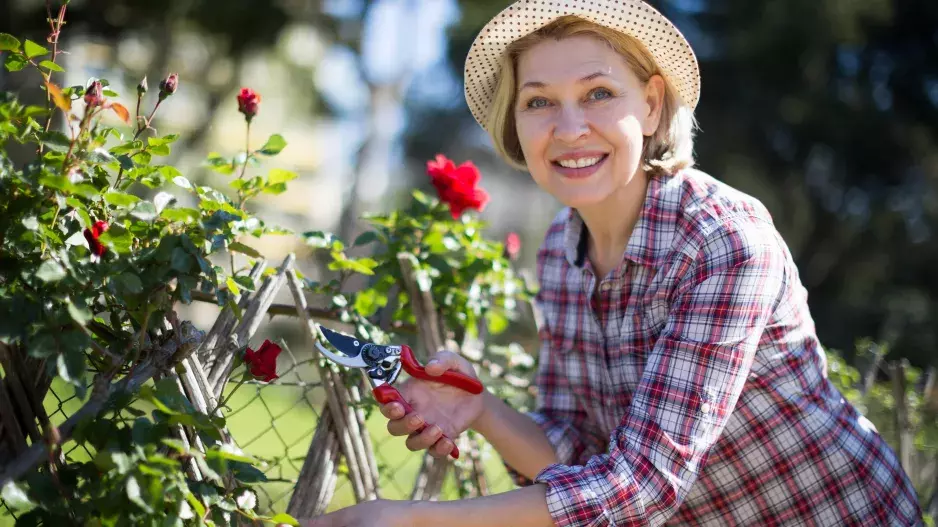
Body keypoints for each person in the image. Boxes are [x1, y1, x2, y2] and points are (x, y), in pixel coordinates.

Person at [301, 0, 923, 525]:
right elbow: (578, 457)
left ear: (651, 105)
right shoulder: (560, 254)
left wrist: (405, 519)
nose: (569, 129)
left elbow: (642, 484)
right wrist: (482, 409)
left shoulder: (722, 242)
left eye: (598, 93)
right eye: (538, 102)